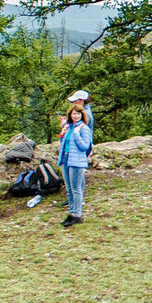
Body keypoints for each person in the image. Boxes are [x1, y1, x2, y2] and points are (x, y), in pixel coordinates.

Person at [57, 92, 93, 228]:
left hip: (76, 160)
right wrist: (63, 132)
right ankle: (71, 213)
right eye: (73, 114)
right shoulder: (69, 127)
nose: (75, 116)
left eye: (78, 114)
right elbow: (64, 143)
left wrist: (77, 134)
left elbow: (85, 146)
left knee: (76, 188)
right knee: (69, 188)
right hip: (66, 158)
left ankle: (77, 214)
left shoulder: (82, 128)